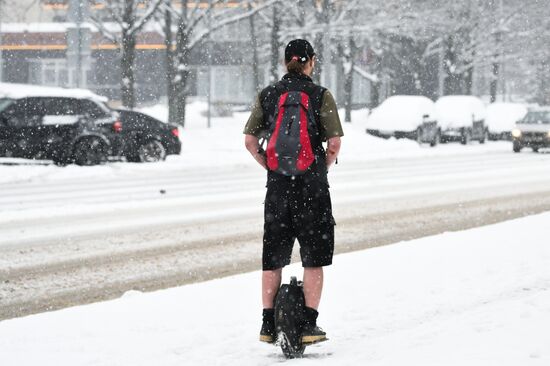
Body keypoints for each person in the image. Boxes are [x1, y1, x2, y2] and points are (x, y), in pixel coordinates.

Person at [243, 39, 343, 345]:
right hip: (312, 187)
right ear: (311, 61)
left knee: (273, 257)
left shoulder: (269, 94)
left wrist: (272, 167)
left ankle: (267, 324)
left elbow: (249, 141)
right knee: (314, 257)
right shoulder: (320, 95)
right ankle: (309, 324)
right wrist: (318, 168)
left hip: (277, 189)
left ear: (286, 61)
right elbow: (335, 144)